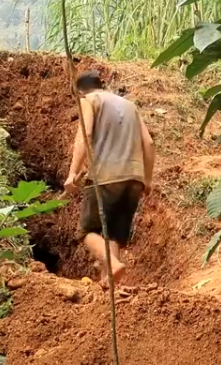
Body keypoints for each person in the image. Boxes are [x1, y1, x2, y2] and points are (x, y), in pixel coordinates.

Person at [63, 70, 155, 287]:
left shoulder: (89, 100)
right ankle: (112, 282)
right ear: (101, 84)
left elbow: (83, 136)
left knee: (88, 232)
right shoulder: (130, 106)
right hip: (135, 178)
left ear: (79, 91)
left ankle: (112, 265)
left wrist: (72, 173)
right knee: (111, 233)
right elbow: (149, 143)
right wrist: (147, 180)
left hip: (105, 176)